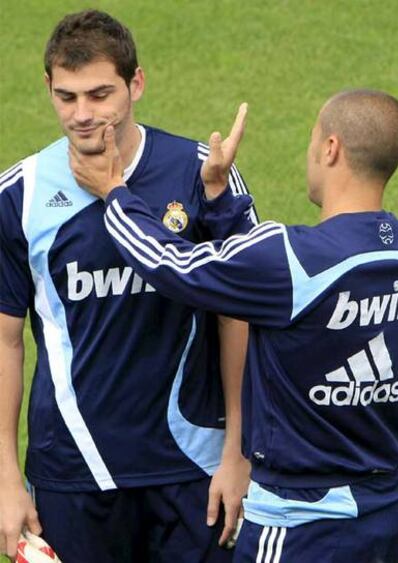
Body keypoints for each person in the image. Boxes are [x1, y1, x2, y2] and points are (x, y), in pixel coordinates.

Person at [71, 90, 398, 562]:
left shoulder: (292, 258)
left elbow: (170, 263)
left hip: (300, 526)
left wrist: (114, 193)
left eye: (314, 139)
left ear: (331, 149)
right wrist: (219, 196)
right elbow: (256, 282)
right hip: (387, 517)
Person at [0, 10, 254, 562]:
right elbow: (5, 341)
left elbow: (241, 314)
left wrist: (238, 452)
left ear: (136, 83)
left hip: (193, 467)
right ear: (47, 87)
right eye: (66, 97)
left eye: (99, 94)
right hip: (74, 472)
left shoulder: (202, 174)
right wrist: (5, 476)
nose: (83, 115)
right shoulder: (19, 196)